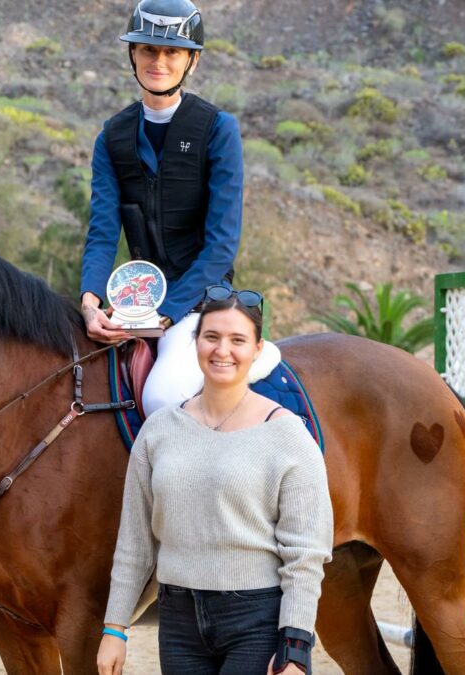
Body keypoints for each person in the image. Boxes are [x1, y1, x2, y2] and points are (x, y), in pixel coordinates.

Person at [97, 289, 334, 675]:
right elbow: (135, 542)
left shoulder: (289, 436)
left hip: (256, 622)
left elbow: (305, 553)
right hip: (178, 624)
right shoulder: (158, 430)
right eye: (212, 337)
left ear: (257, 349)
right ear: (195, 343)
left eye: (237, 340)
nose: (222, 350)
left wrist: (296, 647)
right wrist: (115, 627)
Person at [79, 0, 244, 417]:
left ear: (191, 60)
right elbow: (102, 234)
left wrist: (165, 315)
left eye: (172, 51)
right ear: (132, 54)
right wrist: (90, 300)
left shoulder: (218, 130)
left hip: (201, 304)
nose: (159, 60)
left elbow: (221, 248)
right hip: (134, 303)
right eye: (148, 49)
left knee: (162, 396)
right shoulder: (111, 137)